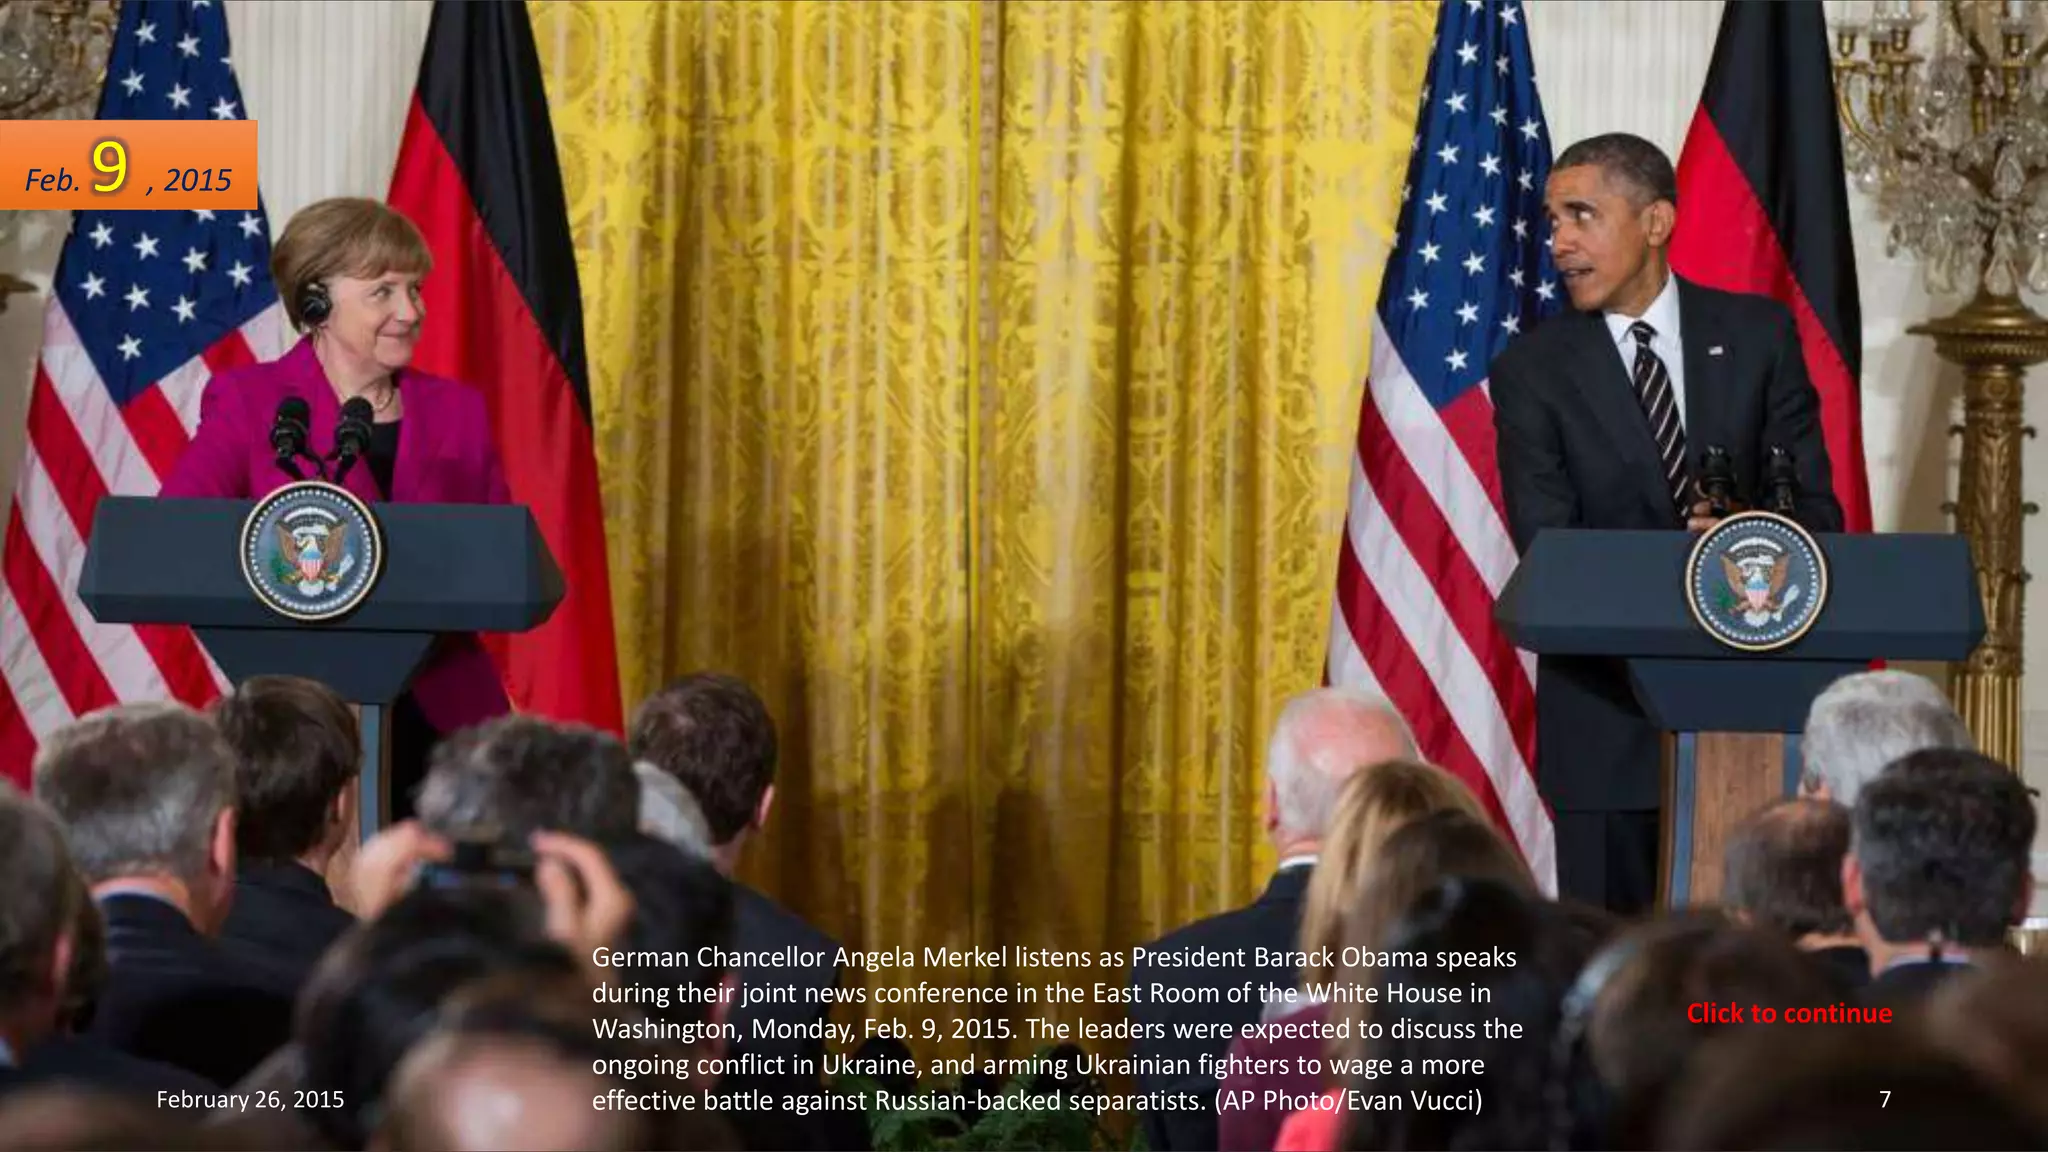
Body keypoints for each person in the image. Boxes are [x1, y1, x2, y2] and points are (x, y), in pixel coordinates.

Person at [1490, 133, 1843, 913]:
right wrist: (1689, 562)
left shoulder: (1757, 337)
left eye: (1581, 215)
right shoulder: (1531, 371)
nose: (1559, 242)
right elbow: (1550, 551)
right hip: (1606, 724)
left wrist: (1742, 539)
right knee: (1614, 967)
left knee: (1749, 961)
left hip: (1751, 716)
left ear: (1655, 222)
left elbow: (1819, 516)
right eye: (1552, 221)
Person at [160, 197, 513, 821]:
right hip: (301, 721)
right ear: (316, 301)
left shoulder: (458, 410)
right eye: (383, 292)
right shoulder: (252, 401)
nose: (410, 311)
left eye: (415, 289)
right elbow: (178, 534)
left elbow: (503, 558)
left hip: (446, 718)